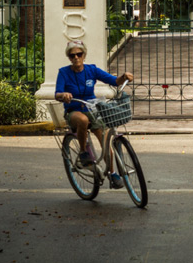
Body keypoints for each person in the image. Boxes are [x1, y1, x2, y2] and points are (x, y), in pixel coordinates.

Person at [54, 39, 133, 189]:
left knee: (106, 141)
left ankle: (112, 173)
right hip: (74, 110)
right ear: (69, 57)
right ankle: (83, 153)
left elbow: (114, 80)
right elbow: (57, 93)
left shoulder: (92, 70)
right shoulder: (63, 72)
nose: (76, 57)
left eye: (79, 54)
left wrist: (124, 77)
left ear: (84, 55)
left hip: (92, 109)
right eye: (72, 55)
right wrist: (63, 95)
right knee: (83, 120)